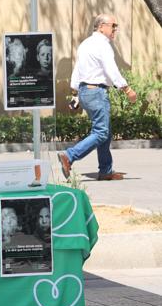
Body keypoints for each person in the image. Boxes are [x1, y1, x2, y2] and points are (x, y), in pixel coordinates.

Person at [58, 14, 137, 181]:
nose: (115, 29)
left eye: (116, 26)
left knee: (105, 133)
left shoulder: (85, 44)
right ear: (101, 27)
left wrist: (75, 95)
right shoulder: (103, 45)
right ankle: (69, 155)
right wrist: (127, 89)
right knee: (101, 132)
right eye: (113, 25)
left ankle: (106, 170)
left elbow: (77, 71)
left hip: (86, 91)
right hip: (96, 92)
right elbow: (111, 70)